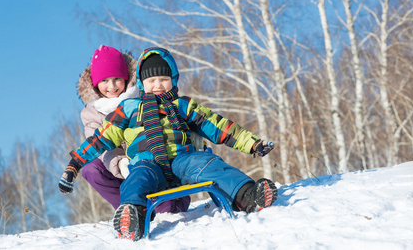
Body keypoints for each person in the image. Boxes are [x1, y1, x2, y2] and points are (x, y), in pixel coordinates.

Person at [59, 47, 278, 241]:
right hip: (147, 163)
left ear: (173, 79)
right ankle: (133, 217)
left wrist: (252, 143)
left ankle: (247, 195)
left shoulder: (183, 105)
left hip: (183, 159)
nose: (157, 85)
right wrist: (75, 164)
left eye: (163, 80)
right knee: (136, 180)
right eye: (151, 81)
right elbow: (100, 139)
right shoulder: (128, 108)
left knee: (210, 164)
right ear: (142, 83)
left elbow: (218, 126)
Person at [61, 45, 190, 214]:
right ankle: (127, 210)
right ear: (95, 84)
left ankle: (163, 201)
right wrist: (120, 162)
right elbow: (98, 144)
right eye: (104, 81)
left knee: (166, 210)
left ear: (126, 77)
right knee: (91, 168)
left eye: (117, 78)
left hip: (151, 162)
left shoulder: (142, 95)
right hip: (119, 169)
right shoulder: (91, 113)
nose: (112, 86)